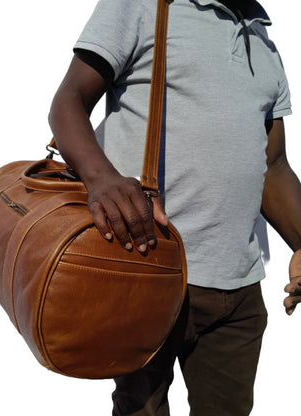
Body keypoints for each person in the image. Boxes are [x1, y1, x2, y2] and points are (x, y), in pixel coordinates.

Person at [48, 0, 301, 415]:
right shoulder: (143, 5)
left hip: (238, 295)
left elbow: (271, 166)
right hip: (147, 270)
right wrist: (101, 179)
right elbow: (68, 100)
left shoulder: (262, 41)